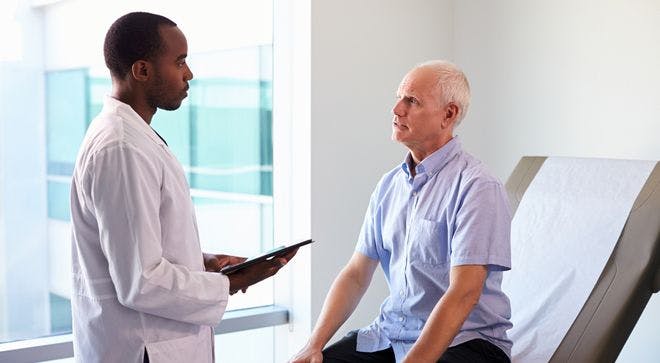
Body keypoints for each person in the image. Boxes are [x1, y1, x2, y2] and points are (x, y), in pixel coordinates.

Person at [70, 12, 296, 363]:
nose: (188, 74)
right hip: (144, 349)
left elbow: (136, 249)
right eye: (180, 62)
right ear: (142, 71)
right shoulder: (123, 147)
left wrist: (200, 261)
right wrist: (234, 282)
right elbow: (140, 281)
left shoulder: (131, 138)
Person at [290, 60, 512, 363]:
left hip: (467, 343)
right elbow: (356, 274)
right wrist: (313, 345)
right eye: (399, 97)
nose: (397, 109)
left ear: (449, 114)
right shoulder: (389, 186)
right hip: (391, 335)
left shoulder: (478, 187)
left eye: (412, 101)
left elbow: (464, 293)